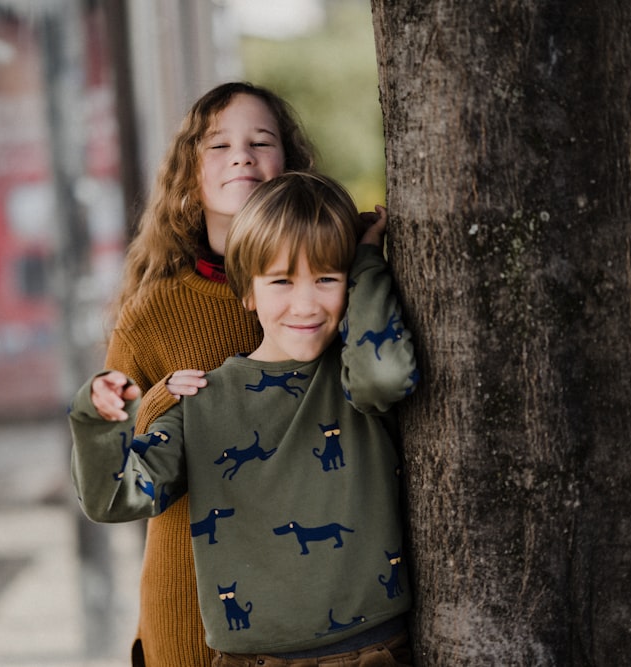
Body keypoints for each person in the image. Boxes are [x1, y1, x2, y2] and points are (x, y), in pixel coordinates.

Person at [70, 171, 417, 665]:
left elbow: (387, 375)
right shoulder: (200, 402)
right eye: (281, 280)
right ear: (247, 290)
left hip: (371, 653)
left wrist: (366, 261)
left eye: (327, 278)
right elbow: (114, 498)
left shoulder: (351, 377)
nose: (305, 303)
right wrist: (97, 420)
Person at [90, 82, 316, 666]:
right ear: (190, 176)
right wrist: (165, 401)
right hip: (191, 600)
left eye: (261, 142)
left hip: (315, 602)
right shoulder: (153, 311)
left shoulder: (326, 290)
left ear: (288, 166)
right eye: (219, 145)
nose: (242, 155)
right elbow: (117, 471)